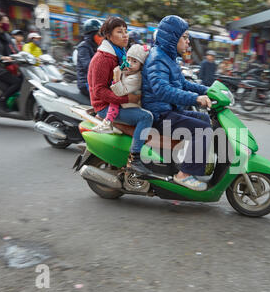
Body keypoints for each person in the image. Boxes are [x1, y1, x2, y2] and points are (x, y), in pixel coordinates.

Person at [142, 15, 213, 191]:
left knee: (205, 120)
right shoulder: (157, 58)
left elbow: (183, 83)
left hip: (169, 110)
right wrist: (195, 98)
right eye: (185, 37)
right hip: (160, 114)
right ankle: (184, 175)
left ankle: (194, 162)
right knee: (203, 129)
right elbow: (162, 90)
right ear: (173, 37)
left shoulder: (169, 58)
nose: (188, 42)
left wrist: (207, 90)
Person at [87, 16, 152, 175]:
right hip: (106, 107)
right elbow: (99, 91)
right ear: (108, 35)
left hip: (118, 102)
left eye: (126, 31)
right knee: (146, 117)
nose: (125, 35)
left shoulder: (121, 53)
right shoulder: (103, 58)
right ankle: (134, 160)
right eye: (119, 32)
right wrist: (127, 99)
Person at [93, 43, 150, 134]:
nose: (130, 64)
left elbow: (120, 92)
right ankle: (107, 122)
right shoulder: (129, 71)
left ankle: (108, 123)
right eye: (128, 59)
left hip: (129, 106)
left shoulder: (136, 78)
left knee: (115, 100)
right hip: (123, 103)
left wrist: (116, 77)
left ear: (141, 65)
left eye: (134, 61)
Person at [77, 18, 103, 97]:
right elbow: (88, 66)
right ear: (91, 35)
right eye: (99, 34)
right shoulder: (83, 47)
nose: (102, 37)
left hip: (96, 82)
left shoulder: (98, 47)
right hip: (86, 83)